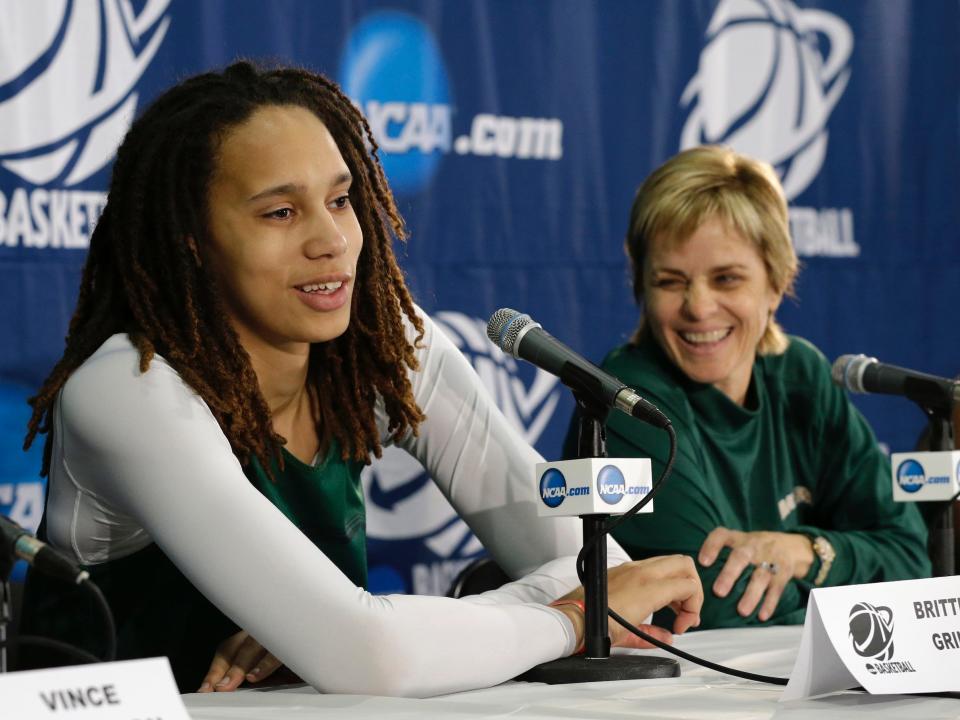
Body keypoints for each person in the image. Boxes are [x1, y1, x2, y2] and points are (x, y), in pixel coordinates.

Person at [19, 62, 702, 697]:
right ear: (191, 239)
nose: (333, 240)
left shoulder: (385, 349)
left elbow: (598, 571)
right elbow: (374, 655)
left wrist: (324, 630)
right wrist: (569, 617)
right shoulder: (129, 387)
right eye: (280, 212)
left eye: (341, 200)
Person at [564, 146, 929, 630]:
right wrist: (855, 593)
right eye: (671, 281)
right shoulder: (626, 403)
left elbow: (912, 560)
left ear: (776, 281)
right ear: (642, 290)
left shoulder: (801, 375)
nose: (699, 307)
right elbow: (719, 607)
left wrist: (807, 552)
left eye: (727, 279)